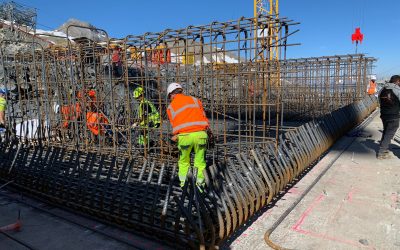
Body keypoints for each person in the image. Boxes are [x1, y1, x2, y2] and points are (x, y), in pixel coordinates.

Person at [166, 82, 209, 188]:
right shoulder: (195, 100)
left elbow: (175, 126)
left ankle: (184, 186)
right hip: (201, 135)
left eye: (170, 97)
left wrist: (175, 136)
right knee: (200, 162)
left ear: (171, 94)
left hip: (185, 138)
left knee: (184, 162)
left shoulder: (170, 107)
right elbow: (204, 117)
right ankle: (200, 187)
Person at [377, 75, 400, 159]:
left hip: (384, 114)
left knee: (386, 131)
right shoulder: (397, 89)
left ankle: (384, 149)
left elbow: (379, 101)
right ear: (397, 81)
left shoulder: (382, 89)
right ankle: (381, 152)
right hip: (394, 115)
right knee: (389, 133)